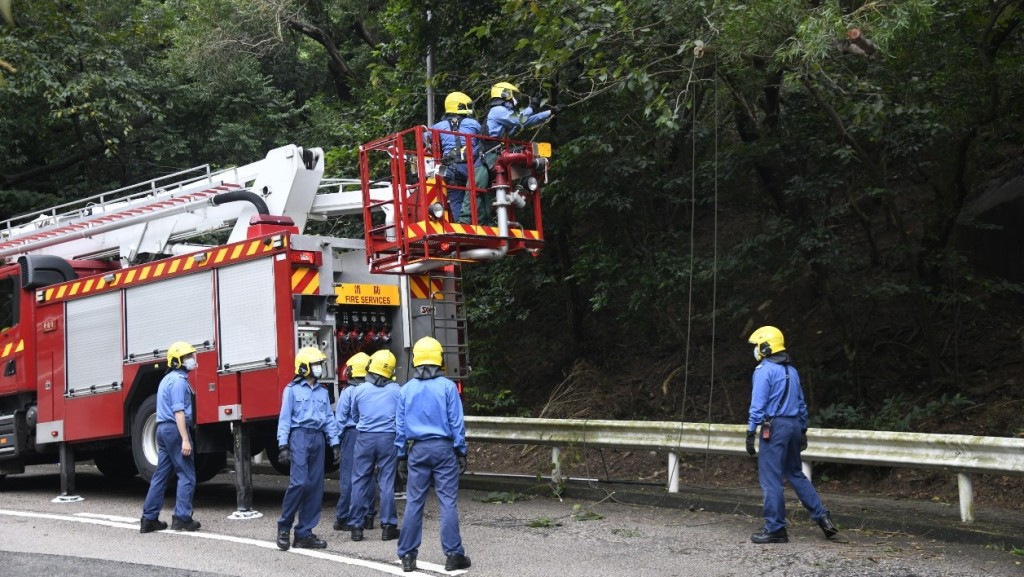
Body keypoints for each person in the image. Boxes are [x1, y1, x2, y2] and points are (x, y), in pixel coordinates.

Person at [745, 326, 838, 544]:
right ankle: (823, 516)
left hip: (775, 428)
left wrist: (751, 431)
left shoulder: (764, 370)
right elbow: (802, 404)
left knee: (771, 479)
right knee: (795, 473)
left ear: (766, 346)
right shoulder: (791, 371)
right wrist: (802, 429)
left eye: (757, 346)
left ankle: (775, 528)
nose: (755, 350)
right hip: (795, 425)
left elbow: (757, 405)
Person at [395, 337, 470, 573]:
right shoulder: (448, 387)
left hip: (417, 450)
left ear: (416, 360)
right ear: (439, 359)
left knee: (414, 502)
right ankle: (453, 554)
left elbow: (399, 426)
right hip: (443, 449)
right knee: (447, 501)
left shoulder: (406, 390)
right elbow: (456, 422)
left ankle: (407, 554)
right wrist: (461, 450)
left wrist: (401, 456)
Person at [275, 347, 341, 551]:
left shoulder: (322, 391)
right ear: (304, 367)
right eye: (316, 364)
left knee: (315, 487)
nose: (319, 368)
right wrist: (283, 445)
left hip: (318, 439)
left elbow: (329, 418)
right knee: (299, 483)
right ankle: (284, 527)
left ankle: (304, 533)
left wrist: (335, 442)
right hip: (299, 437)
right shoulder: (292, 390)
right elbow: (284, 419)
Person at [140, 341, 202, 533]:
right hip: (175, 430)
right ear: (177, 361)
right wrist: (185, 438)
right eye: (188, 357)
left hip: (162, 430)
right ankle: (182, 518)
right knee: (187, 475)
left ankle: (149, 518)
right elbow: (179, 412)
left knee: (161, 475)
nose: (192, 359)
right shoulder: (178, 382)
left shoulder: (166, 379)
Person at [346, 348, 402, 542]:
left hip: (365, 439)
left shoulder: (359, 390)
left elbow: (354, 416)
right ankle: (388, 526)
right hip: (388, 439)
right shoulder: (397, 391)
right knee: (386, 482)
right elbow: (401, 418)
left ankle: (356, 526)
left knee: (360, 480)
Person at [429, 91, 483, 223]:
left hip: (450, 170)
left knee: (456, 199)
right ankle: (481, 223)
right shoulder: (473, 124)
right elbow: (482, 139)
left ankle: (462, 226)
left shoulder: (438, 127)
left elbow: (425, 138)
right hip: (471, 167)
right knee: (478, 194)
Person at [333, 351, 370, 531]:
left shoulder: (348, 392)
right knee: (367, 476)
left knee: (349, 477)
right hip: (369, 435)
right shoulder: (372, 390)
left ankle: (343, 517)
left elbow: (340, 419)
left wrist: (336, 441)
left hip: (351, 435)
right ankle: (368, 514)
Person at [485, 81, 554, 139]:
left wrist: (550, 112)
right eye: (513, 94)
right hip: (491, 149)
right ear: (505, 94)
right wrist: (532, 107)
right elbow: (518, 119)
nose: (515, 98)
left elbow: (525, 121)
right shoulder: (497, 110)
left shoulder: (505, 112)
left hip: (497, 147)